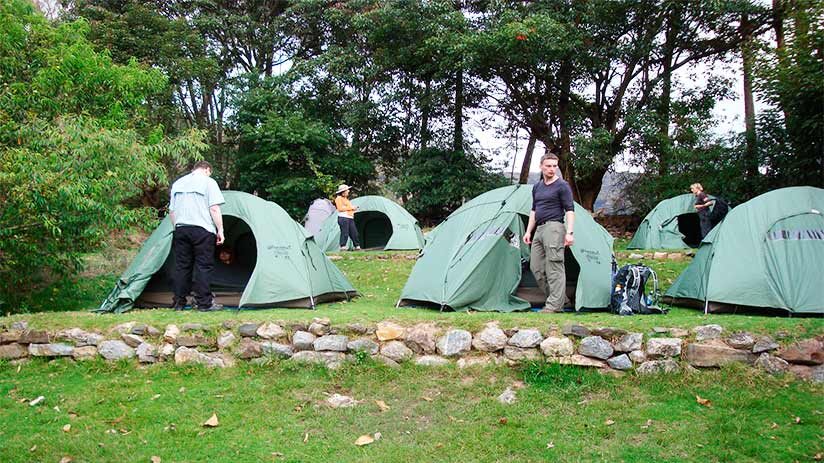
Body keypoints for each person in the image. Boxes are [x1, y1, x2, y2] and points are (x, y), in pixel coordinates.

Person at [169, 160, 225, 311]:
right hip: (202, 230)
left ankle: (179, 303)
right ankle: (204, 303)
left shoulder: (178, 183)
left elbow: (172, 211)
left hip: (181, 229)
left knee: (182, 266)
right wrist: (220, 230)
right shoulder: (209, 182)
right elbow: (214, 208)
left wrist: (176, 228)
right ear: (207, 169)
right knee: (203, 266)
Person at [523, 153, 575, 313]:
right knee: (536, 267)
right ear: (541, 166)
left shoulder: (562, 186)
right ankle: (562, 300)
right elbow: (534, 210)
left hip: (555, 228)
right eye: (548, 166)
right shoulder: (537, 187)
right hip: (539, 229)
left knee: (554, 267)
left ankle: (554, 306)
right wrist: (528, 231)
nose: (552, 169)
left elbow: (570, 210)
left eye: (554, 166)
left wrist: (570, 232)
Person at [334, 184, 361, 251]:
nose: (348, 191)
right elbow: (340, 208)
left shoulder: (346, 199)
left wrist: (353, 208)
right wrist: (352, 207)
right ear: (343, 192)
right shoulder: (338, 199)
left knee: (354, 232)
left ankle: (357, 246)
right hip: (343, 218)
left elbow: (347, 208)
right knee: (345, 232)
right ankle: (343, 246)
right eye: (347, 190)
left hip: (350, 218)